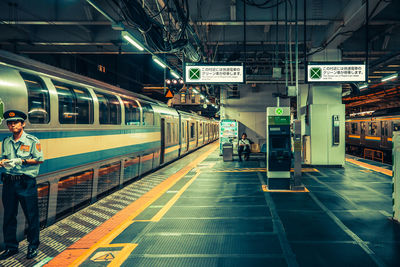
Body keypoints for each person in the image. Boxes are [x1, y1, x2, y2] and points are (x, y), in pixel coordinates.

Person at [0, 110, 44, 260]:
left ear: (23, 124)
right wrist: (3, 162)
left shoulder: (32, 140)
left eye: (15, 122)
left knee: (31, 216)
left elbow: (39, 159)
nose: (12, 125)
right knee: (9, 216)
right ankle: (11, 247)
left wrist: (21, 161)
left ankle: (33, 246)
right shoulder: (6, 141)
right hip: (9, 183)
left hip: (26, 183)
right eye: (10, 123)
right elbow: (3, 157)